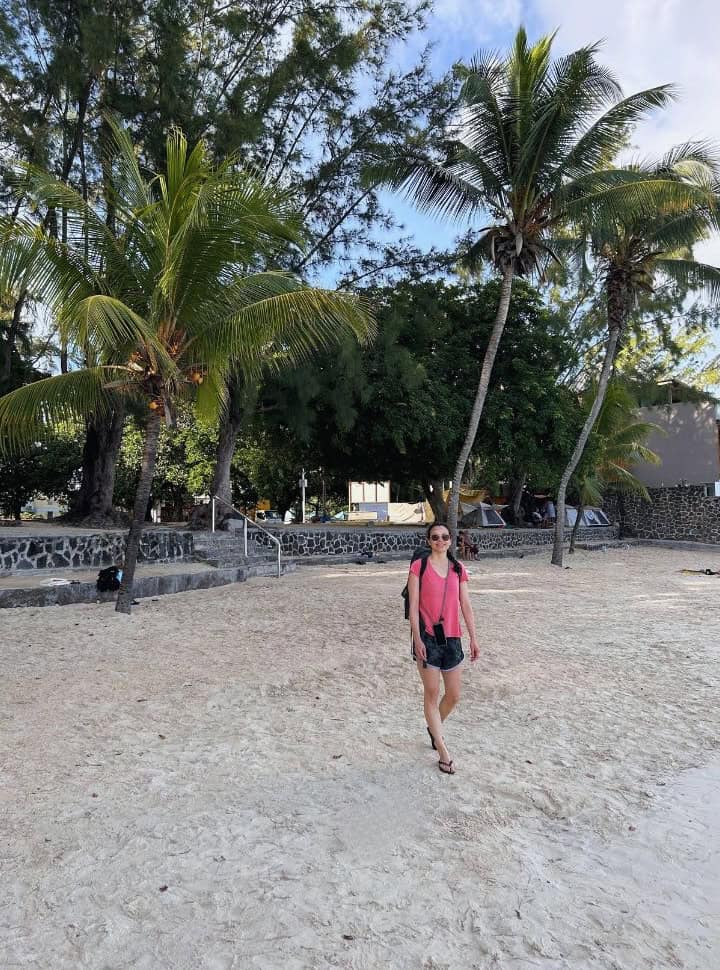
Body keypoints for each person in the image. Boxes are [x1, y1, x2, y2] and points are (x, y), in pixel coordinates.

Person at [407, 523, 480, 775]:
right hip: (427, 638)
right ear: (428, 540)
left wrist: (473, 638)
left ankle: (433, 727)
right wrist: (417, 639)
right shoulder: (419, 567)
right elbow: (413, 607)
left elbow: (466, 605)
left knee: (453, 695)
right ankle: (442, 749)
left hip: (452, 638)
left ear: (451, 540)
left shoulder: (458, 569)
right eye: (435, 537)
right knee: (432, 693)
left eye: (445, 537)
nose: (440, 540)